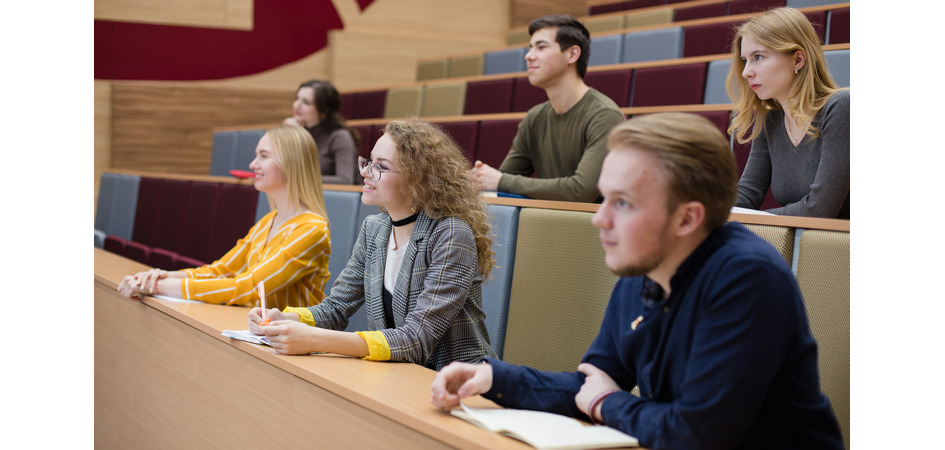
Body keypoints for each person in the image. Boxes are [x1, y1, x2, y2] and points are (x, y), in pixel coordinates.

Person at [431, 113, 844, 449]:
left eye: (623, 203)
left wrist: (607, 403)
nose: (600, 218)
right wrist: (494, 378)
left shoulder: (748, 279)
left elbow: (695, 434)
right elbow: (590, 385)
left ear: (687, 218)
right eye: (605, 198)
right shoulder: (643, 269)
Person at [248, 119, 497, 371]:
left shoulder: (451, 233)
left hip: (459, 380)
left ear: (418, 180)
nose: (365, 172)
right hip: (396, 374)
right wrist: (285, 318)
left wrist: (315, 339)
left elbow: (416, 340)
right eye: (368, 162)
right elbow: (336, 308)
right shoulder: (374, 229)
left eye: (381, 167)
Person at [117, 126, 331, 310]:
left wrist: (156, 287)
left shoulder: (312, 229)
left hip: (290, 341)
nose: (252, 164)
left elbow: (250, 287)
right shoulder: (269, 221)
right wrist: (162, 276)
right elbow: (221, 271)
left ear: (291, 162)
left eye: (263, 156)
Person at [470, 15, 625, 203]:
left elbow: (581, 191)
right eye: (530, 48)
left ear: (572, 54)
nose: (529, 56)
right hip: (547, 218)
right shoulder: (535, 117)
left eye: (541, 47)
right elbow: (505, 177)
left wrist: (501, 180)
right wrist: (480, 178)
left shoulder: (605, 115)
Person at [727, 7, 850, 219]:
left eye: (758, 57)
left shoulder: (841, 107)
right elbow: (747, 196)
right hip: (797, 236)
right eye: (745, 60)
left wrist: (758, 219)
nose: (746, 72)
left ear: (798, 60)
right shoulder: (770, 119)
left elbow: (819, 210)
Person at [283, 79, 361, 185]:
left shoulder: (340, 137)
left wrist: (300, 179)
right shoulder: (297, 131)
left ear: (323, 111)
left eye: (306, 102)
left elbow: (345, 181)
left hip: (333, 195)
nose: (297, 105)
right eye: (297, 99)